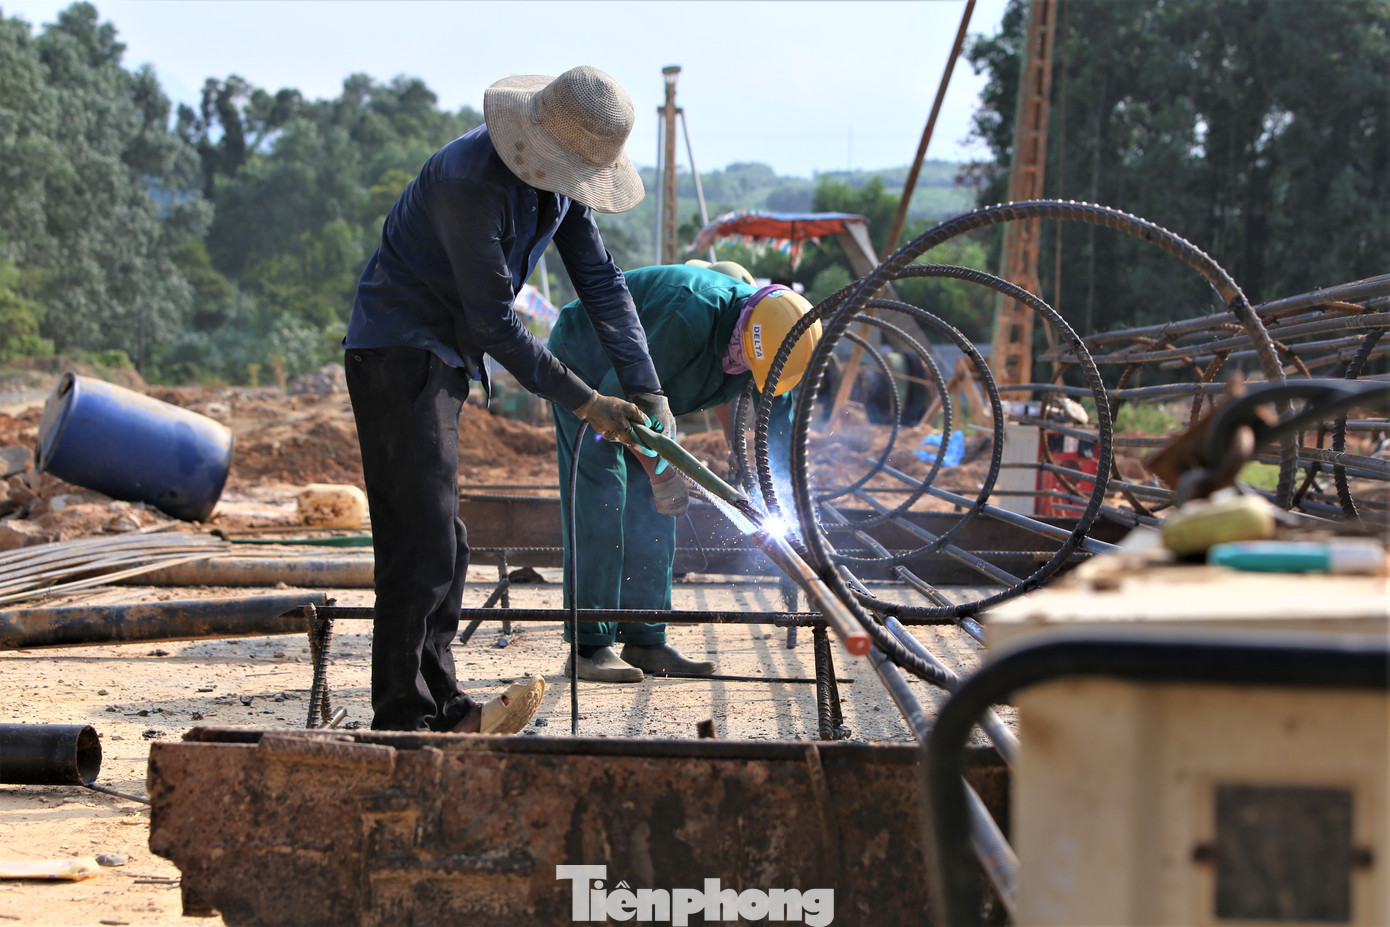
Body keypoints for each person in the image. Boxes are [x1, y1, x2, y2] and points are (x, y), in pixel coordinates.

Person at [343, 66, 676, 731]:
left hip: (444, 357)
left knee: (446, 541)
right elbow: (497, 324)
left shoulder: (559, 188)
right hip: (399, 353)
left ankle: (439, 702)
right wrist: (589, 403)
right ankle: (404, 719)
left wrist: (647, 386)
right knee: (421, 541)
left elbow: (603, 283)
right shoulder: (470, 186)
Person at [549, 262, 821, 682]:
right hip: (589, 373)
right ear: (747, 341)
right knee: (605, 495)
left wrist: (767, 484)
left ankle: (645, 639)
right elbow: (628, 412)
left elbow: (768, 427)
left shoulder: (779, 339)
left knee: (658, 511)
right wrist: (662, 473)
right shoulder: (686, 317)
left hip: (649, 390)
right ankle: (589, 646)